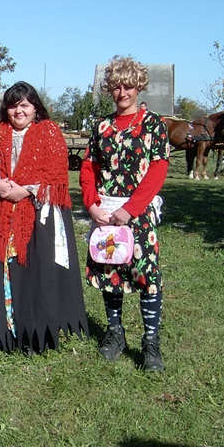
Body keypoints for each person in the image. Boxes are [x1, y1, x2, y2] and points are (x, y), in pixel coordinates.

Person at [80, 56, 169, 372]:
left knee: (146, 275)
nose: (122, 93)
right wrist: (92, 204)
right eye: (116, 87)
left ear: (138, 87)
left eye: (128, 87)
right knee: (110, 272)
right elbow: (88, 167)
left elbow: (158, 169)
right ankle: (115, 333)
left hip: (138, 213)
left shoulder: (153, 124)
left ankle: (151, 342)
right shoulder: (101, 126)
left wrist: (130, 210)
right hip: (105, 213)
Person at [0, 81, 89, 354]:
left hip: (39, 214)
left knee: (35, 273)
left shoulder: (49, 132)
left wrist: (26, 190)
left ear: (35, 107)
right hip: (3, 214)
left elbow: (55, 175)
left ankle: (36, 332)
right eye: (13, 106)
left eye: (24, 105)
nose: (18, 111)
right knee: (9, 272)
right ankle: (9, 331)